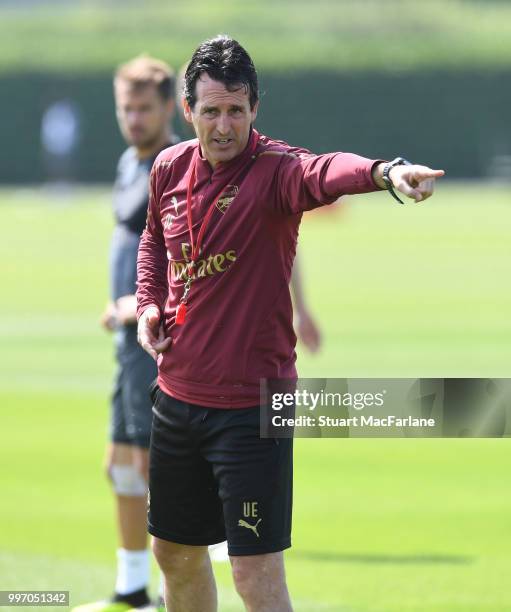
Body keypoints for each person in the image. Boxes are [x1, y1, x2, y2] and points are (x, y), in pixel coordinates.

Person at [136, 35, 444, 612]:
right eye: (211, 111)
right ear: (188, 111)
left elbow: (325, 171)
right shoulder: (167, 169)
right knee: (174, 554)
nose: (224, 125)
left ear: (255, 108)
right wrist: (148, 303)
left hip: (253, 407)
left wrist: (385, 172)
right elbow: (154, 241)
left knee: (254, 573)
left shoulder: (276, 171)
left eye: (236, 110)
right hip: (176, 399)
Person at [74, 55, 178, 612]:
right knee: (120, 463)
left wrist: (138, 305)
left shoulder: (176, 164)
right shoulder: (129, 162)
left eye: (144, 108)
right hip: (126, 339)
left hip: (154, 339)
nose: (134, 119)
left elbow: (185, 253)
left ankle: (172, 591)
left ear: (169, 107)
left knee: (153, 466)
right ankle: (131, 588)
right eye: (126, 108)